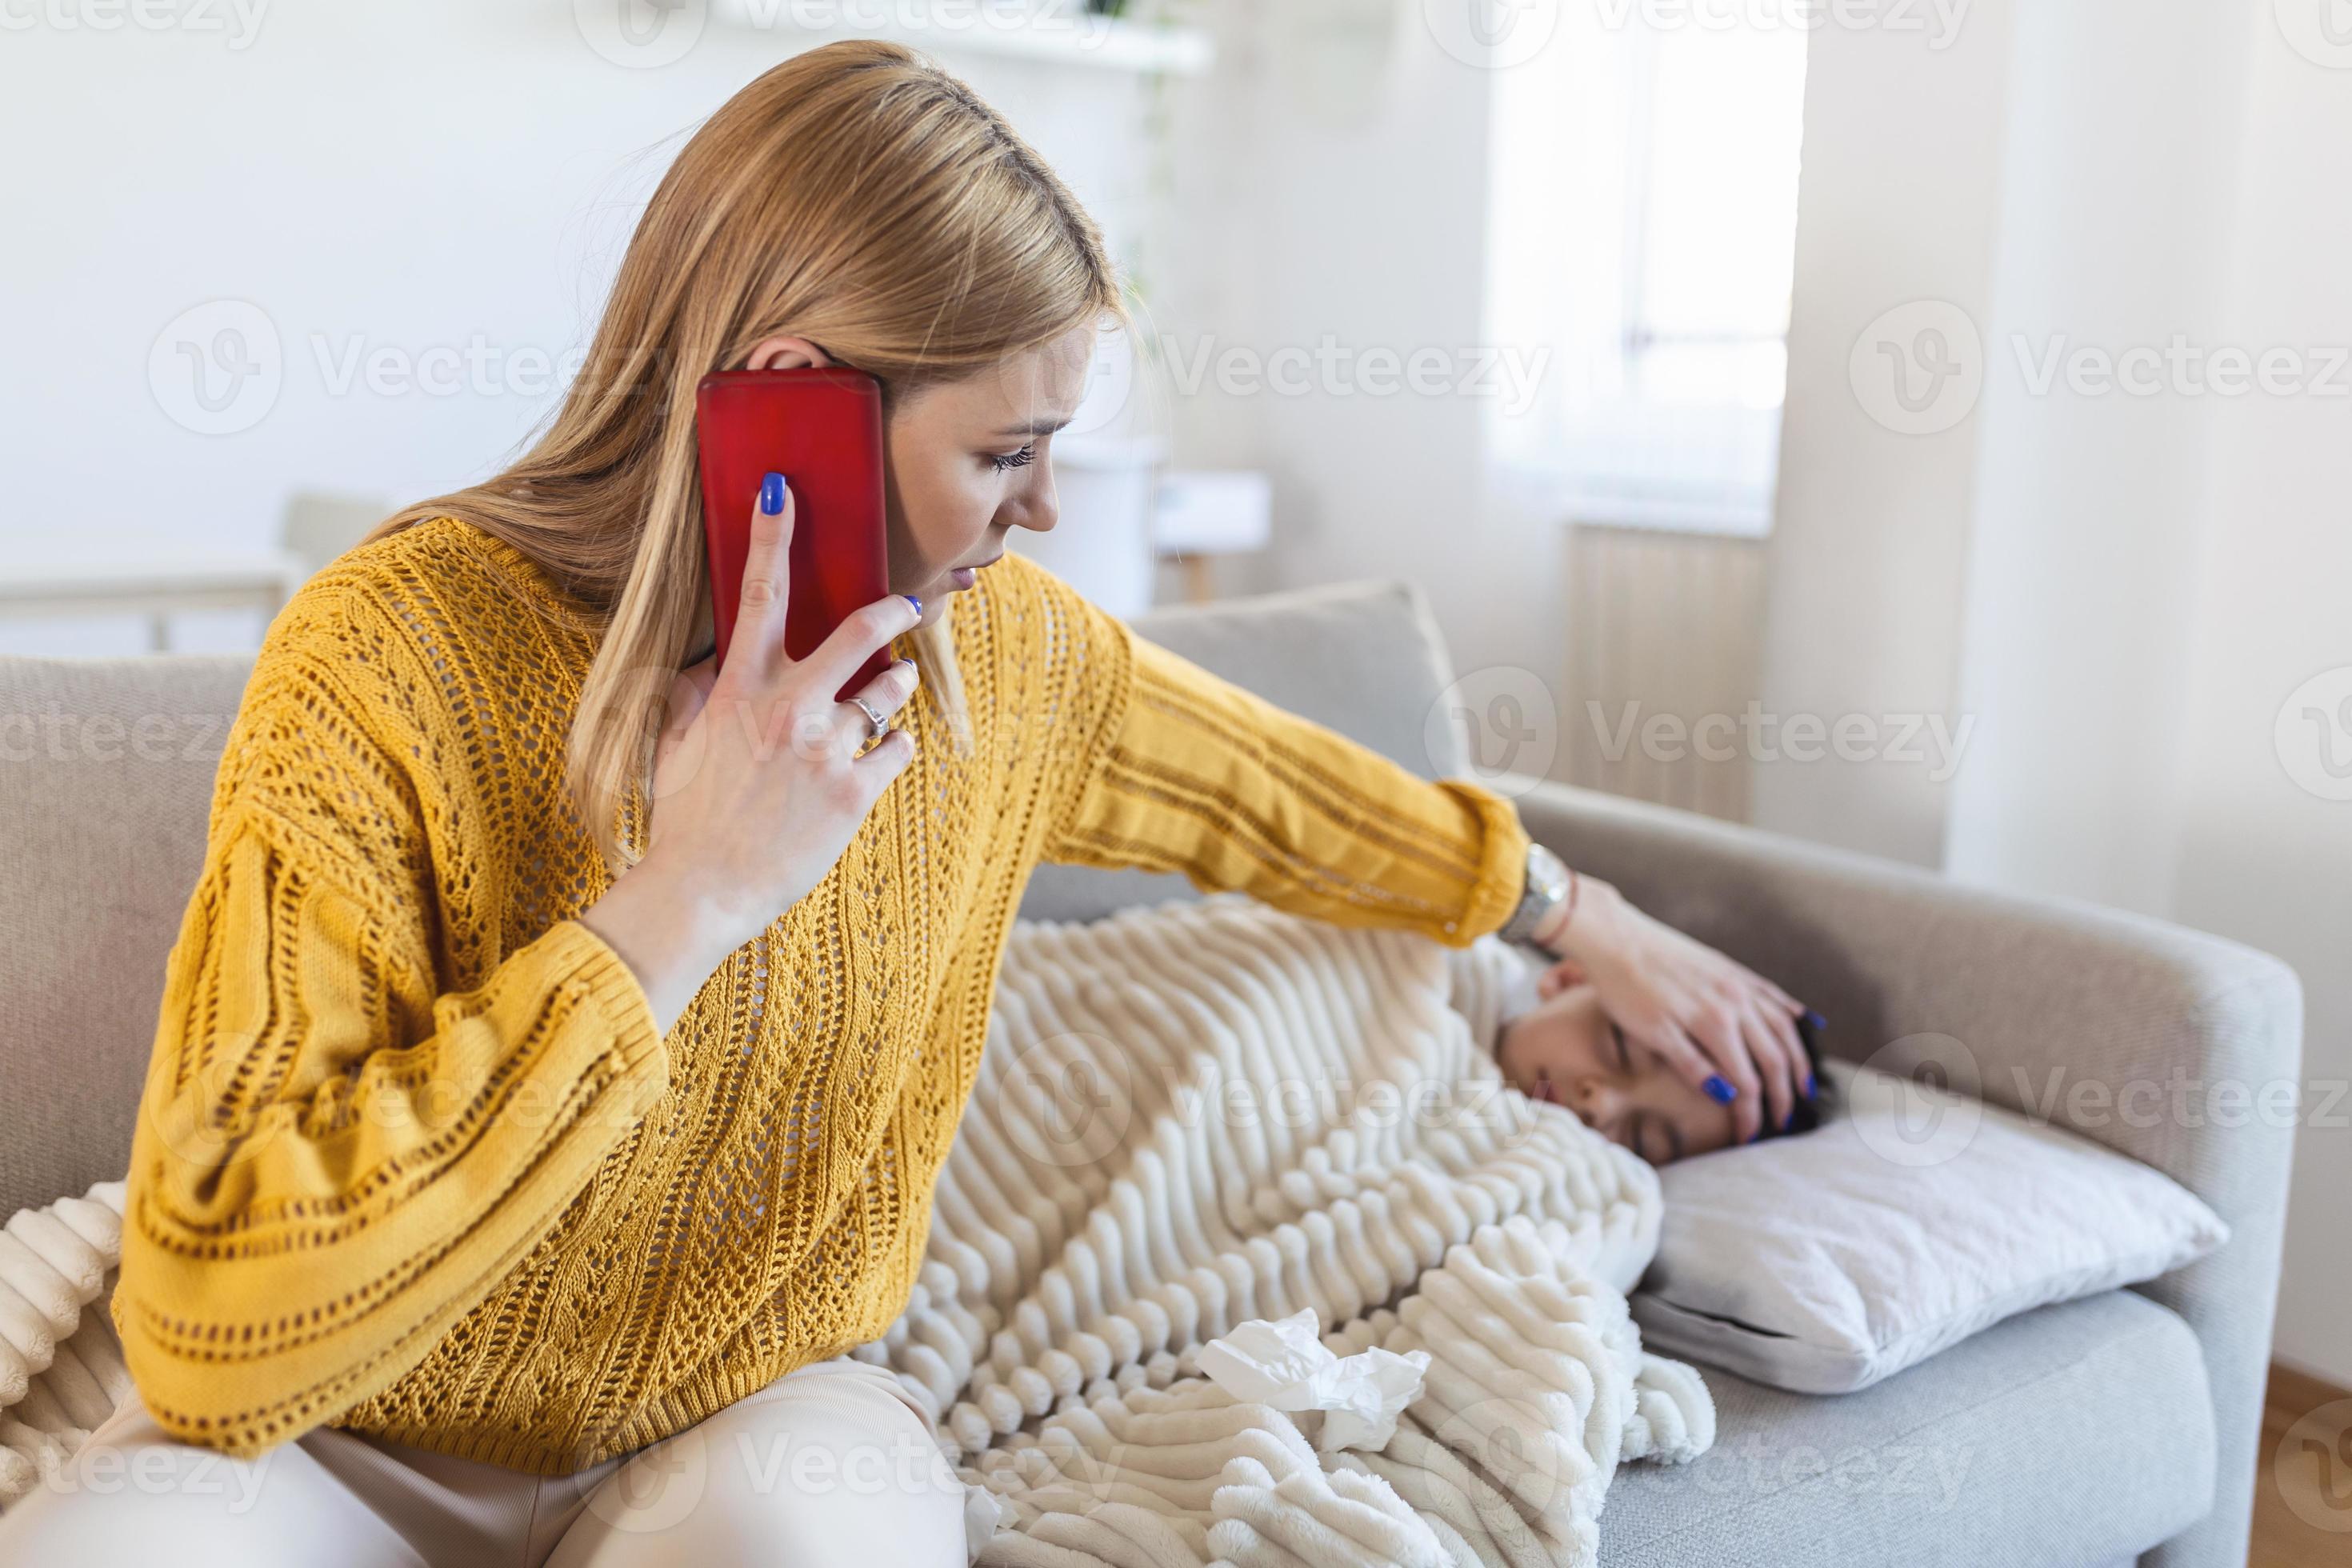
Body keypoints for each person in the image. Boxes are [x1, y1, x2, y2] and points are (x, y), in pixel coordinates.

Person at [0, 40, 1810, 1567]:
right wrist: (688, 895)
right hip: (349, 1432)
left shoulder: (1005, 664)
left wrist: (1577, 908)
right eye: (1005, 453)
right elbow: (221, 1329)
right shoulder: (392, 650)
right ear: (789, 408)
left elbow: (1279, 797)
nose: (1037, 514)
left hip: (757, 1412)